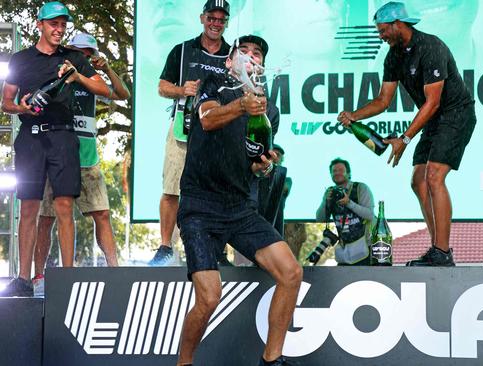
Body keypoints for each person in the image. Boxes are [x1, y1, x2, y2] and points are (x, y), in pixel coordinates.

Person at [176, 35, 301, 366]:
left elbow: (256, 160)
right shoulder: (213, 83)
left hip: (240, 209)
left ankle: (271, 359)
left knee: (291, 272)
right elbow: (207, 118)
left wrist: (263, 168)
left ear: (261, 67)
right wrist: (240, 106)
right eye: (242, 52)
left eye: (256, 53)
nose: (250, 57)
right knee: (209, 297)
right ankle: (184, 363)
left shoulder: (268, 109)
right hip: (200, 208)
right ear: (230, 62)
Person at [337, 2, 476, 266]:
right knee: (418, 181)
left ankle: (443, 252)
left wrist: (404, 139)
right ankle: (438, 249)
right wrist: (354, 115)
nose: (381, 35)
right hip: (434, 119)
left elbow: (432, 102)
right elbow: (382, 100)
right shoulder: (393, 56)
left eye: (383, 30)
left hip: (456, 114)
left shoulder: (431, 47)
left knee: (434, 175)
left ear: (398, 24)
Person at [0, 2, 109, 297]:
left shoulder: (73, 58)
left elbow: (105, 90)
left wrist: (76, 76)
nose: (59, 30)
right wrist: (20, 106)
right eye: (53, 24)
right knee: (29, 207)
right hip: (31, 138)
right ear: (40, 25)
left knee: (64, 206)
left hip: (63, 136)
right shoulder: (21, 58)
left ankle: (67, 278)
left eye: (63, 25)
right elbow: (6, 101)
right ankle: (23, 279)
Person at [31, 32, 130, 296]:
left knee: (103, 214)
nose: (82, 57)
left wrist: (106, 68)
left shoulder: (91, 80)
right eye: (79, 52)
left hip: (87, 158)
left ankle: (114, 272)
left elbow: (123, 94)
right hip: (56, 154)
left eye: (88, 53)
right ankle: (39, 277)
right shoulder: (55, 71)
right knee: (46, 218)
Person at [149, 0, 232, 266]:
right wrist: (182, 90)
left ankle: (218, 250)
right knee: (172, 187)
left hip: (218, 134)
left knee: (219, 192)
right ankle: (165, 247)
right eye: (212, 18)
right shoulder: (182, 50)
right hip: (182, 130)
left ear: (226, 22)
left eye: (221, 19)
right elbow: (162, 87)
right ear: (202, 18)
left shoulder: (232, 55)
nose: (216, 23)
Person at [315, 158, 375, 265]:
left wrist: (349, 203)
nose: (337, 173)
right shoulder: (331, 193)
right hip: (345, 251)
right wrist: (326, 200)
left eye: (341, 170)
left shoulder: (360, 188)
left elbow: (370, 215)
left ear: (349, 173)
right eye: (334, 171)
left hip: (365, 248)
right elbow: (320, 219)